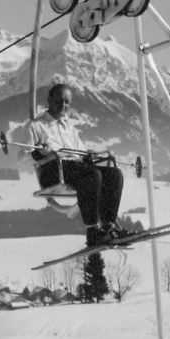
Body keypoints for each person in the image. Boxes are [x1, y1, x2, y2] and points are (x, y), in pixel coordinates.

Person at [26, 83, 131, 247]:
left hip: (73, 168)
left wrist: (89, 155)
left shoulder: (69, 128)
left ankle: (108, 227)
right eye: (59, 101)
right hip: (53, 170)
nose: (63, 105)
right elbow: (24, 155)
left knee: (114, 174)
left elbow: (80, 153)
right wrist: (40, 153)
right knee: (91, 175)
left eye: (67, 102)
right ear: (49, 100)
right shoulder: (37, 125)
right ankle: (93, 231)